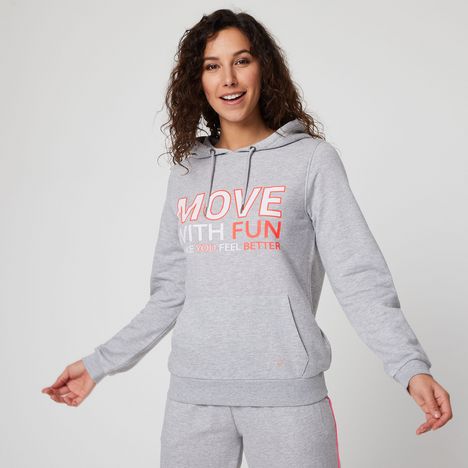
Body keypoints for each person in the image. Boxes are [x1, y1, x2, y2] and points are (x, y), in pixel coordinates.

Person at [41, 8, 452, 468]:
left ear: (264, 68)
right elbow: (169, 294)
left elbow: (357, 274)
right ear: (197, 81)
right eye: (212, 66)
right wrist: (98, 364)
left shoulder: (311, 161)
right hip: (193, 400)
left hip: (288, 398)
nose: (229, 79)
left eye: (241, 60)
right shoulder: (188, 172)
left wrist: (409, 367)